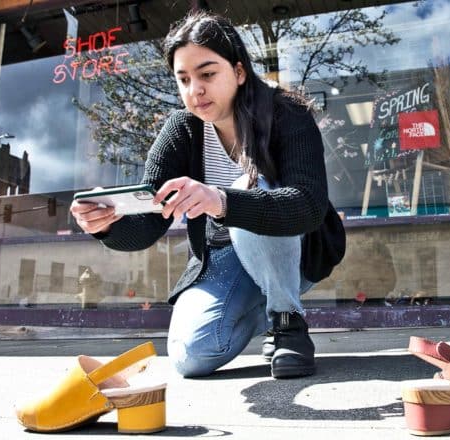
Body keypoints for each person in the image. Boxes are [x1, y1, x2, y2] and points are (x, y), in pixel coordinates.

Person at [70, 11, 345, 379]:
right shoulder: (180, 130)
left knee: (248, 190)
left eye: (207, 74)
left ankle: (286, 321)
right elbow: (151, 223)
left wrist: (221, 201)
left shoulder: (286, 114)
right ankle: (266, 306)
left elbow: (307, 206)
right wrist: (107, 224)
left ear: (239, 71)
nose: (194, 90)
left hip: (292, 248)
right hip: (223, 255)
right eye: (183, 79)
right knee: (191, 355)